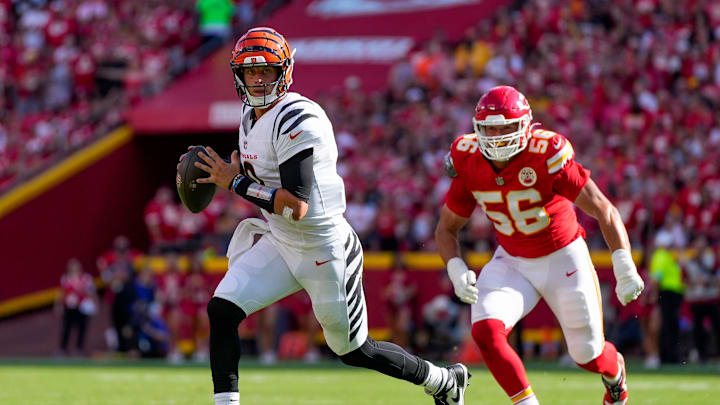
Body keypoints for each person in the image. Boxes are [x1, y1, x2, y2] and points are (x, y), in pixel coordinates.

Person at [178, 27, 470, 405]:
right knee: (222, 310)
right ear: (239, 75)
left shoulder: (297, 118)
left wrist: (234, 183)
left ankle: (443, 380)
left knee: (353, 350)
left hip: (323, 247)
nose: (259, 79)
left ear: (284, 70)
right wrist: (236, 173)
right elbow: (266, 179)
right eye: (252, 72)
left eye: (267, 70)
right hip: (282, 241)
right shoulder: (250, 114)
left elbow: (296, 206)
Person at [434, 85, 644, 405]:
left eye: (506, 127)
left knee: (587, 355)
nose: (498, 136)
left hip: (564, 258)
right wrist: (455, 266)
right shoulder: (467, 157)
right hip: (513, 261)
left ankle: (615, 373)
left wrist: (623, 264)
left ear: (526, 125)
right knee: (485, 331)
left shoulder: (546, 153)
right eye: (490, 128)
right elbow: (447, 228)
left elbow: (603, 208)